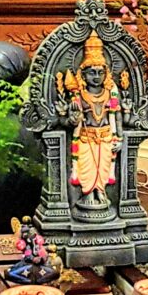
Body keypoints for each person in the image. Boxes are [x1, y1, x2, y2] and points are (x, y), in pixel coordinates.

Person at [61, 31, 122, 209]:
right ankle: (88, 192)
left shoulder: (110, 93)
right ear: (83, 75)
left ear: (106, 74)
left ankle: (100, 191)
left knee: (103, 166)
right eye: (92, 73)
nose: (96, 77)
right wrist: (73, 118)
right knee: (86, 166)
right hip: (86, 138)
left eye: (100, 73)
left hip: (105, 136)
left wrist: (119, 137)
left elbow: (116, 115)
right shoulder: (79, 95)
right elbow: (73, 120)